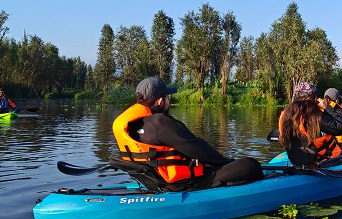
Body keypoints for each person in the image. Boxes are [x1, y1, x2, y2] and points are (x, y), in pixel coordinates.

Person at [112, 76, 264, 191]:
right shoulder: (160, 122)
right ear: (159, 102)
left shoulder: (130, 125)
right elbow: (199, 149)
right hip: (182, 184)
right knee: (251, 165)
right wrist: (228, 162)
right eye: (167, 97)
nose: (168, 101)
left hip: (156, 183)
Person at [278, 82, 342, 167]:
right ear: (314, 97)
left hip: (297, 161)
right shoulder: (314, 116)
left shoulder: (285, 114)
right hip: (322, 161)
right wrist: (327, 108)